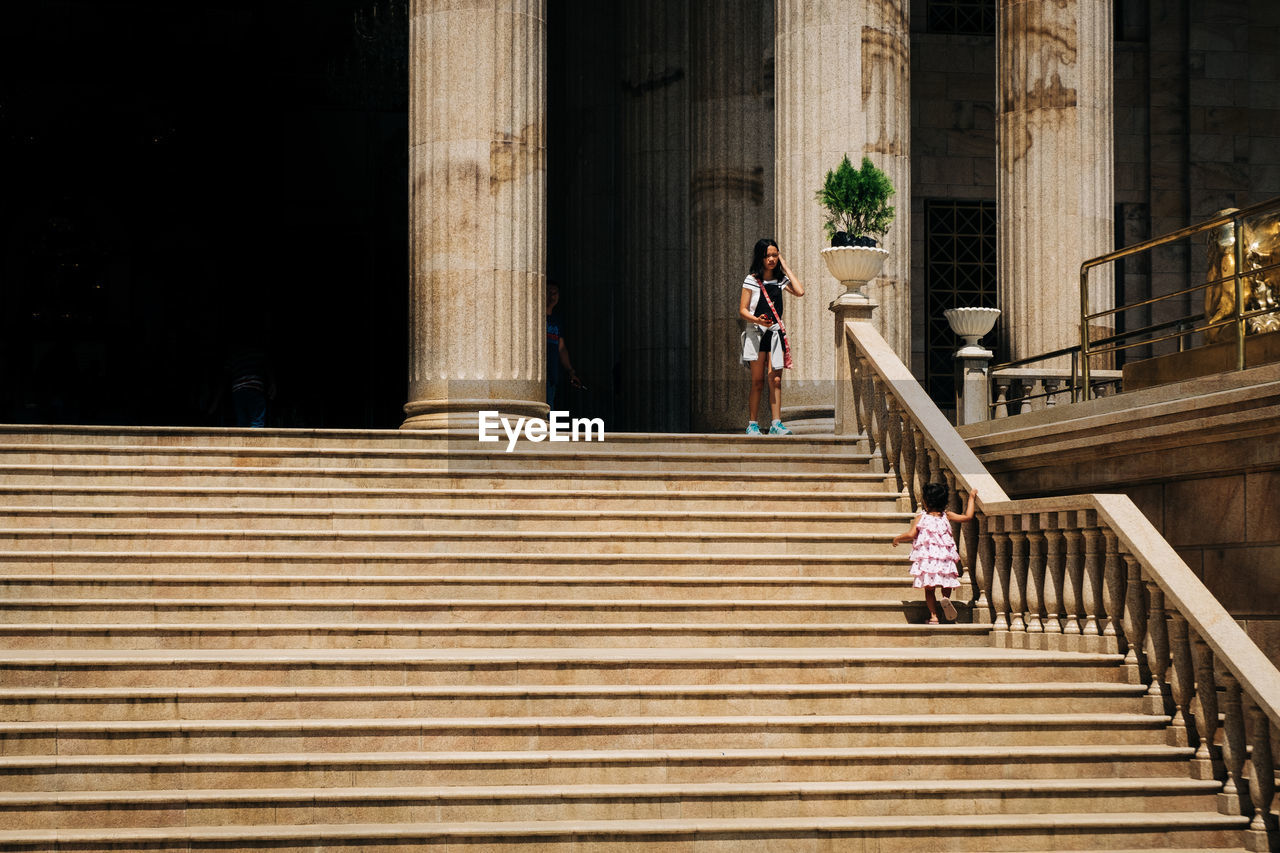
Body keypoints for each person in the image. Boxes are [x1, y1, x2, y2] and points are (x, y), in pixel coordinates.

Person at [739, 238, 804, 435]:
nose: (771, 259)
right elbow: (742, 310)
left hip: (775, 334)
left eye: (775, 255)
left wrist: (785, 265)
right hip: (757, 334)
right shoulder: (751, 280)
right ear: (760, 257)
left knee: (775, 380)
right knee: (758, 381)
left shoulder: (781, 280)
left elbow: (800, 291)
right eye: (768, 255)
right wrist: (758, 320)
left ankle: (777, 423)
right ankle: (753, 424)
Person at [891, 483, 977, 624]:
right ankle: (946, 599)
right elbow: (967, 517)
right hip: (944, 559)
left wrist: (897, 538)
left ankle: (934, 616)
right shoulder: (946, 516)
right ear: (944, 501)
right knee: (946, 584)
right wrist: (972, 497)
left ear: (925, 501)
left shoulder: (921, 517)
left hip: (928, 560)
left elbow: (911, 534)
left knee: (929, 590)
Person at [546, 280, 581, 408]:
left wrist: (571, 371)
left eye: (555, 293)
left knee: (550, 407)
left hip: (552, 374)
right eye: (548, 292)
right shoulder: (535, 317)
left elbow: (561, 348)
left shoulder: (557, 321)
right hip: (538, 374)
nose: (551, 296)